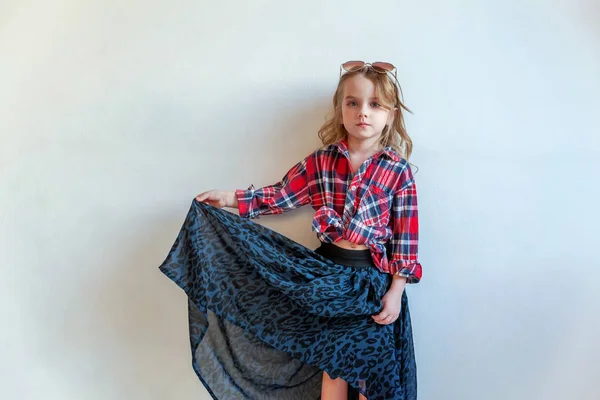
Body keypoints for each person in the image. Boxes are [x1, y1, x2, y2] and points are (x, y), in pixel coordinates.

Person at [160, 61, 422, 400]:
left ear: (391, 114)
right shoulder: (322, 161)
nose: (363, 113)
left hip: (370, 284)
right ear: (340, 108)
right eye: (353, 102)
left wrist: (396, 291)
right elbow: (279, 195)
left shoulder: (398, 171)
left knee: (371, 372)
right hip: (325, 278)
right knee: (334, 367)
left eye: (375, 105)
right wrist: (228, 198)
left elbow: (406, 239)